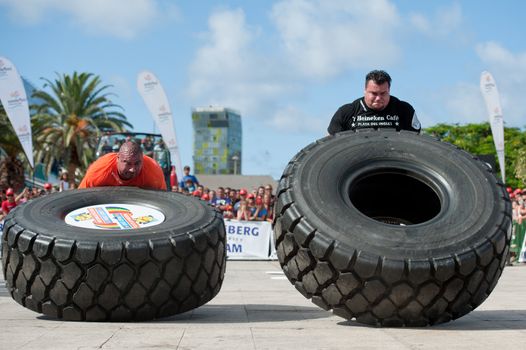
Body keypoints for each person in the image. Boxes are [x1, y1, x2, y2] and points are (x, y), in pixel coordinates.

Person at [327, 70, 421, 135]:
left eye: (383, 93)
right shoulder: (346, 112)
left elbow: (416, 140)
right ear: (365, 90)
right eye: (374, 93)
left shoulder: (404, 110)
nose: (378, 98)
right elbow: (330, 143)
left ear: (389, 90)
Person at [79, 140, 167, 190]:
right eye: (127, 163)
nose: (132, 169)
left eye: (137, 163)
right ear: (118, 159)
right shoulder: (99, 170)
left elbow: (166, 202)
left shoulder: (153, 171)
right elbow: (79, 197)